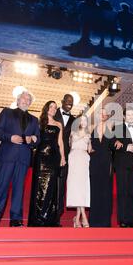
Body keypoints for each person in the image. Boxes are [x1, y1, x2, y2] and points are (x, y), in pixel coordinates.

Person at [0, 91, 40, 227]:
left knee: (19, 189)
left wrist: (31, 139)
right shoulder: (7, 112)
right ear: (18, 100)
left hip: (23, 159)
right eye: (24, 98)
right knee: (1, 187)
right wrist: (10, 137)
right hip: (7, 156)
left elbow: (37, 139)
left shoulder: (34, 120)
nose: (26, 101)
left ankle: (16, 219)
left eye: (29, 100)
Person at [28, 101, 66, 227]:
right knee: (39, 187)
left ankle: (49, 218)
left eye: (55, 108)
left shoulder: (59, 124)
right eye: (51, 107)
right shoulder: (39, 123)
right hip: (41, 157)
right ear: (46, 108)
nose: (53, 109)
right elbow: (34, 138)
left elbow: (60, 142)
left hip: (54, 157)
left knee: (51, 187)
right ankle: (37, 219)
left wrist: (63, 157)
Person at [113, 108, 133, 227]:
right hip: (122, 164)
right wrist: (125, 147)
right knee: (122, 193)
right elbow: (113, 143)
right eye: (129, 115)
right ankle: (122, 221)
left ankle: (130, 221)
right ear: (124, 117)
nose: (131, 117)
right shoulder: (118, 128)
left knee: (131, 193)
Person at [89, 108, 115, 227]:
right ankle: (94, 221)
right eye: (101, 113)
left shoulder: (110, 129)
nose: (103, 115)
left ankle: (105, 221)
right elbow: (85, 143)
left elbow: (114, 145)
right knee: (94, 190)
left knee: (105, 191)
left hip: (106, 162)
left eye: (105, 113)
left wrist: (118, 143)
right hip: (94, 161)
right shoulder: (90, 128)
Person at [54, 94, 76, 226]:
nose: (69, 103)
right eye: (67, 101)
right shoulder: (53, 114)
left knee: (61, 187)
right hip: (51, 155)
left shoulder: (74, 120)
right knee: (50, 185)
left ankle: (57, 216)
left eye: (71, 102)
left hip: (66, 158)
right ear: (62, 101)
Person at [66, 115, 92, 228]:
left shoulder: (89, 134)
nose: (84, 122)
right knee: (76, 187)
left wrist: (90, 142)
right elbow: (71, 145)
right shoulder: (73, 132)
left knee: (82, 188)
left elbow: (89, 149)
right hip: (75, 158)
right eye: (82, 120)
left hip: (84, 159)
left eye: (86, 120)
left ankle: (77, 218)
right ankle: (83, 217)